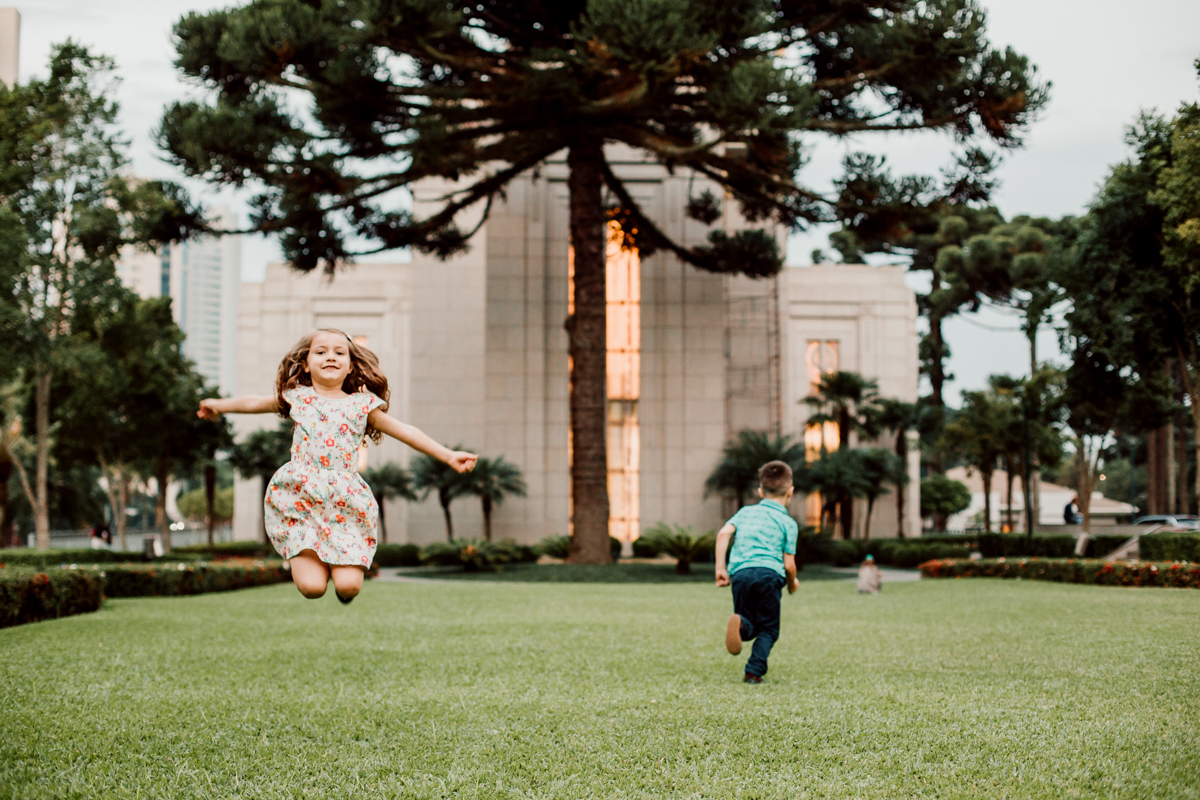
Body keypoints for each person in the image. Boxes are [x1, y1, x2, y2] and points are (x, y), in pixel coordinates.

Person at [198, 329, 477, 603]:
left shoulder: (363, 405)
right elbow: (254, 402)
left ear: (351, 366)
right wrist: (216, 405)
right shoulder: (298, 397)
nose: (330, 357)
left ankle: (343, 583)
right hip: (301, 497)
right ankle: (307, 557)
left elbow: (405, 430)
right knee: (312, 588)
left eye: (339, 352)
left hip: (345, 501)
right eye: (320, 352)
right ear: (305, 365)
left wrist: (448, 455)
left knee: (348, 588)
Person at [714, 460, 799, 683]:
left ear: (760, 491)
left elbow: (723, 534)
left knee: (749, 622)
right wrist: (792, 584)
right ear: (790, 492)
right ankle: (753, 672)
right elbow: (789, 565)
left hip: (740, 574)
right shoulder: (787, 522)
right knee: (768, 629)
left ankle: (740, 624)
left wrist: (721, 569)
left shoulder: (744, 513)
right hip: (769, 575)